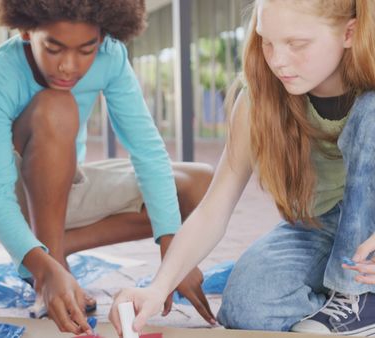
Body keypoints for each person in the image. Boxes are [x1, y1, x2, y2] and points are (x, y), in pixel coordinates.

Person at [110, 0, 375, 335]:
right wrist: (158, 287)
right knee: (246, 306)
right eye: (268, 41)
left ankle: (359, 298)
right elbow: (213, 209)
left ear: (349, 33)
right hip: (316, 225)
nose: (278, 60)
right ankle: (336, 297)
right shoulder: (259, 99)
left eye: (297, 44)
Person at [0, 0, 215, 334]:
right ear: (26, 31)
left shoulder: (111, 57)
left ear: (104, 36)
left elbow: (147, 150)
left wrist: (174, 250)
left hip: (61, 188)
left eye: (86, 49)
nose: (69, 66)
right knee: (56, 106)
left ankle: (51, 256)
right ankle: (48, 276)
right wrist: (44, 271)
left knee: (200, 184)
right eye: (53, 47)